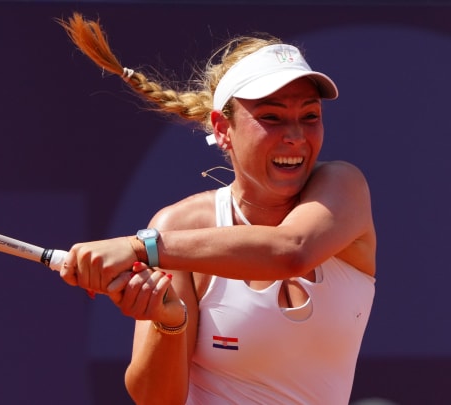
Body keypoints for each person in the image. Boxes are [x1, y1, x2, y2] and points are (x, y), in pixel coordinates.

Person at [57, 13, 376, 405]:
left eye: (309, 116)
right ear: (223, 129)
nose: (295, 136)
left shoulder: (343, 189)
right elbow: (158, 400)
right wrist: (168, 322)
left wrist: (140, 248)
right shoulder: (179, 226)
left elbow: (290, 251)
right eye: (271, 117)